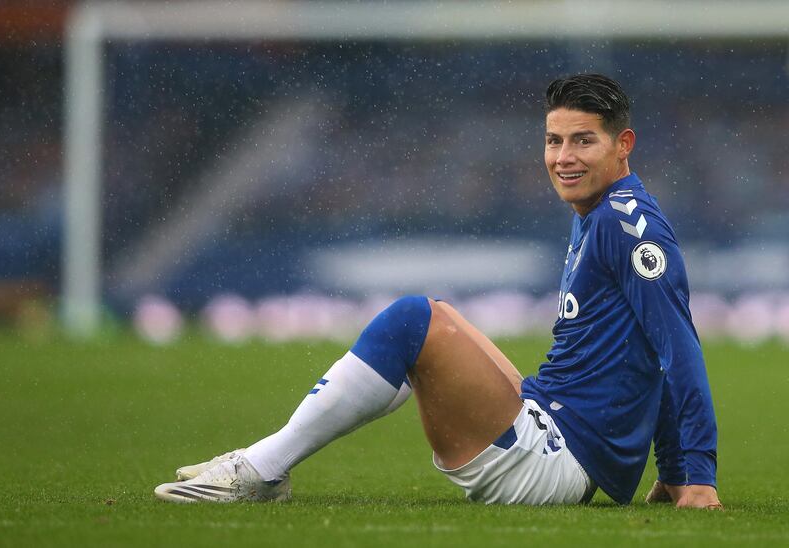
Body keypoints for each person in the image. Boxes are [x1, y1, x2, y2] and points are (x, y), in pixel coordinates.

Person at [154, 74, 721, 508]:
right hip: (557, 427)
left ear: (624, 144)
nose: (564, 157)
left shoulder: (628, 226)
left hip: (555, 460)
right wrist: (670, 472)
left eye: (582, 142)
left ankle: (259, 470)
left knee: (411, 320)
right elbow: (653, 347)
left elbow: (677, 348)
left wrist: (695, 474)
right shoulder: (599, 212)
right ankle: (264, 466)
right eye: (553, 141)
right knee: (435, 319)